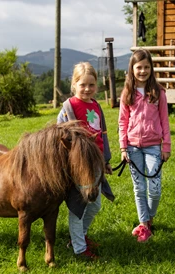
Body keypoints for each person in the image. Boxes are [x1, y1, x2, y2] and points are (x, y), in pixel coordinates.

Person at [57, 62, 114, 259]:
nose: (87, 89)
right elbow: (59, 136)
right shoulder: (68, 107)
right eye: (83, 85)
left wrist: (106, 160)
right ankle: (80, 249)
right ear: (74, 84)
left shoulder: (96, 106)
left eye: (91, 85)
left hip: (96, 163)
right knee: (78, 208)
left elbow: (102, 134)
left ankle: (79, 236)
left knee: (95, 205)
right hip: (79, 166)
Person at [118, 49, 171, 243]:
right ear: (132, 69)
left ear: (151, 68)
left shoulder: (158, 92)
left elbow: (164, 120)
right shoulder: (127, 93)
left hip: (153, 147)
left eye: (146, 67)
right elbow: (122, 122)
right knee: (139, 188)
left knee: (155, 189)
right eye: (139, 67)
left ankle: (148, 217)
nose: (142, 71)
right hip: (132, 147)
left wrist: (166, 146)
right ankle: (144, 225)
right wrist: (123, 147)